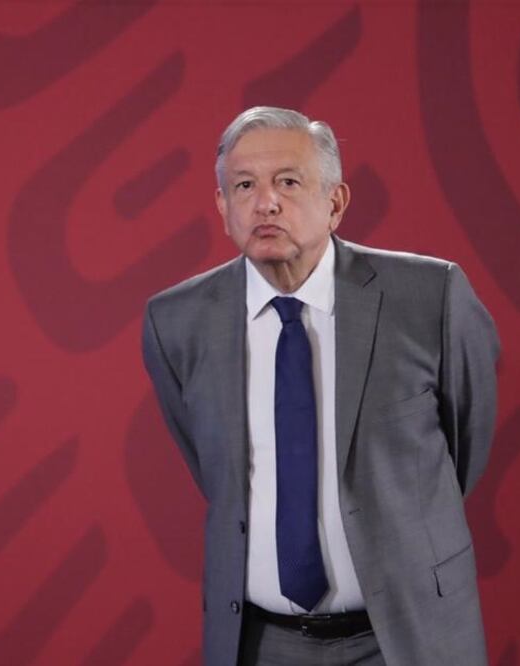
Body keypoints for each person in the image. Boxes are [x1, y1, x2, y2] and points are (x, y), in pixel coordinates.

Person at [141, 107, 500, 665]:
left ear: (336, 202)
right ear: (222, 208)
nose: (265, 202)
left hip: (407, 635)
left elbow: (464, 445)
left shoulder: (430, 297)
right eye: (243, 185)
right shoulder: (177, 321)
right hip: (260, 645)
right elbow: (213, 467)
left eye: (288, 181)